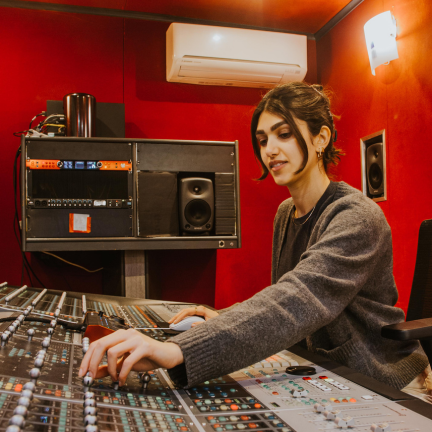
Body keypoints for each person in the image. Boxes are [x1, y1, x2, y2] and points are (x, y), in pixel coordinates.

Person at [79, 82, 430, 399]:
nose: (270, 150)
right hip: (322, 369)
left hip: (382, 378)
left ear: (321, 138)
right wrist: (223, 317)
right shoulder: (285, 213)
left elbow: (300, 299)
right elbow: (289, 298)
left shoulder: (357, 217)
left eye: (284, 134)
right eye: (263, 140)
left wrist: (178, 350)